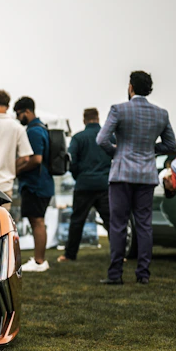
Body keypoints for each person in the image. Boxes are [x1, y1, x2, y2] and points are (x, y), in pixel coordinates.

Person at [96, 71, 176, 285]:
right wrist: (150, 149)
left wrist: (118, 152)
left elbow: (101, 139)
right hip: (147, 175)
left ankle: (115, 274)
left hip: (122, 174)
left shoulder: (119, 109)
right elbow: (171, 144)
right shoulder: (161, 114)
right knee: (144, 224)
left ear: (130, 87)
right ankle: (143, 274)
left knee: (118, 224)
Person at [58, 108, 112, 262]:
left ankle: (70, 255)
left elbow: (71, 161)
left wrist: (78, 176)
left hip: (84, 185)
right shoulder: (108, 136)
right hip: (104, 184)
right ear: (98, 118)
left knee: (77, 221)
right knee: (111, 221)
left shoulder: (78, 137)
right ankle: (119, 254)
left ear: (84, 120)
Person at [14, 96, 54, 272]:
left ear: (28, 111)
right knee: (37, 221)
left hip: (36, 185)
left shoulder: (34, 131)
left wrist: (18, 170)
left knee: (37, 221)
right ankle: (39, 260)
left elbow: (36, 159)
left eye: (19, 114)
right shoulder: (42, 128)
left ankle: (39, 261)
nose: (18, 118)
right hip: (42, 183)